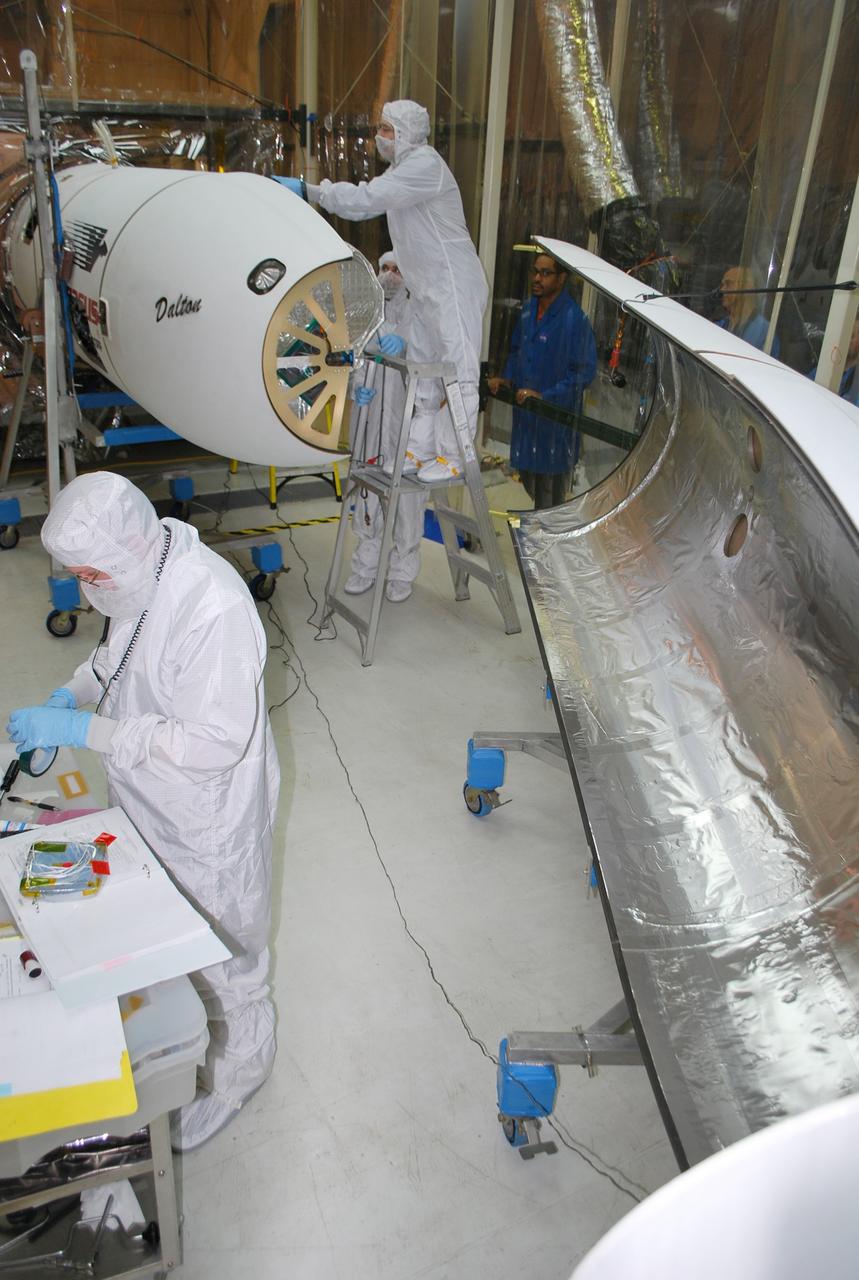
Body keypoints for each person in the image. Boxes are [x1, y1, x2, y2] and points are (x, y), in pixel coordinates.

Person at [6, 472, 280, 1151]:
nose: (87, 588)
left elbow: (213, 744)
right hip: (147, 796)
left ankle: (240, 1069)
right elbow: (115, 658)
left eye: (91, 573)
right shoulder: (138, 570)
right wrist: (71, 695)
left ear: (123, 551)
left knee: (226, 951)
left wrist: (86, 735)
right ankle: (179, 1042)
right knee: (165, 932)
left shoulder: (211, 606)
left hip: (206, 816)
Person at [304, 100, 489, 486]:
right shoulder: (403, 171)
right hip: (425, 286)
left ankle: (455, 454)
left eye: (387, 130)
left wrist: (313, 191)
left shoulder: (424, 165)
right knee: (422, 369)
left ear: (406, 133)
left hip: (452, 284)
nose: (380, 138)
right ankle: (420, 449)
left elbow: (366, 200)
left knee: (458, 368)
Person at [346, 251, 427, 603]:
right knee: (367, 494)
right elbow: (349, 360)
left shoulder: (419, 316)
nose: (390, 275)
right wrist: (355, 389)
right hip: (370, 422)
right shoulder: (365, 315)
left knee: (407, 502)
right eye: (385, 269)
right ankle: (365, 565)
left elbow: (434, 364)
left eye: (397, 269)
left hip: (405, 424)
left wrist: (408, 346)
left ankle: (401, 572)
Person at [487, 253, 597, 510]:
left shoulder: (574, 320)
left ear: (561, 278)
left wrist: (546, 397)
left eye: (545, 273)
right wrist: (506, 379)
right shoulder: (527, 311)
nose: (537, 278)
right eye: (535, 271)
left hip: (555, 427)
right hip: (527, 421)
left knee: (550, 500)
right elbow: (516, 352)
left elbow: (584, 372)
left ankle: (546, 548)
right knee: (529, 482)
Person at [717, 265, 780, 355]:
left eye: (728, 284)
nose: (722, 289)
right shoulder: (721, 324)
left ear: (747, 287)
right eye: (722, 285)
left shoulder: (764, 332)